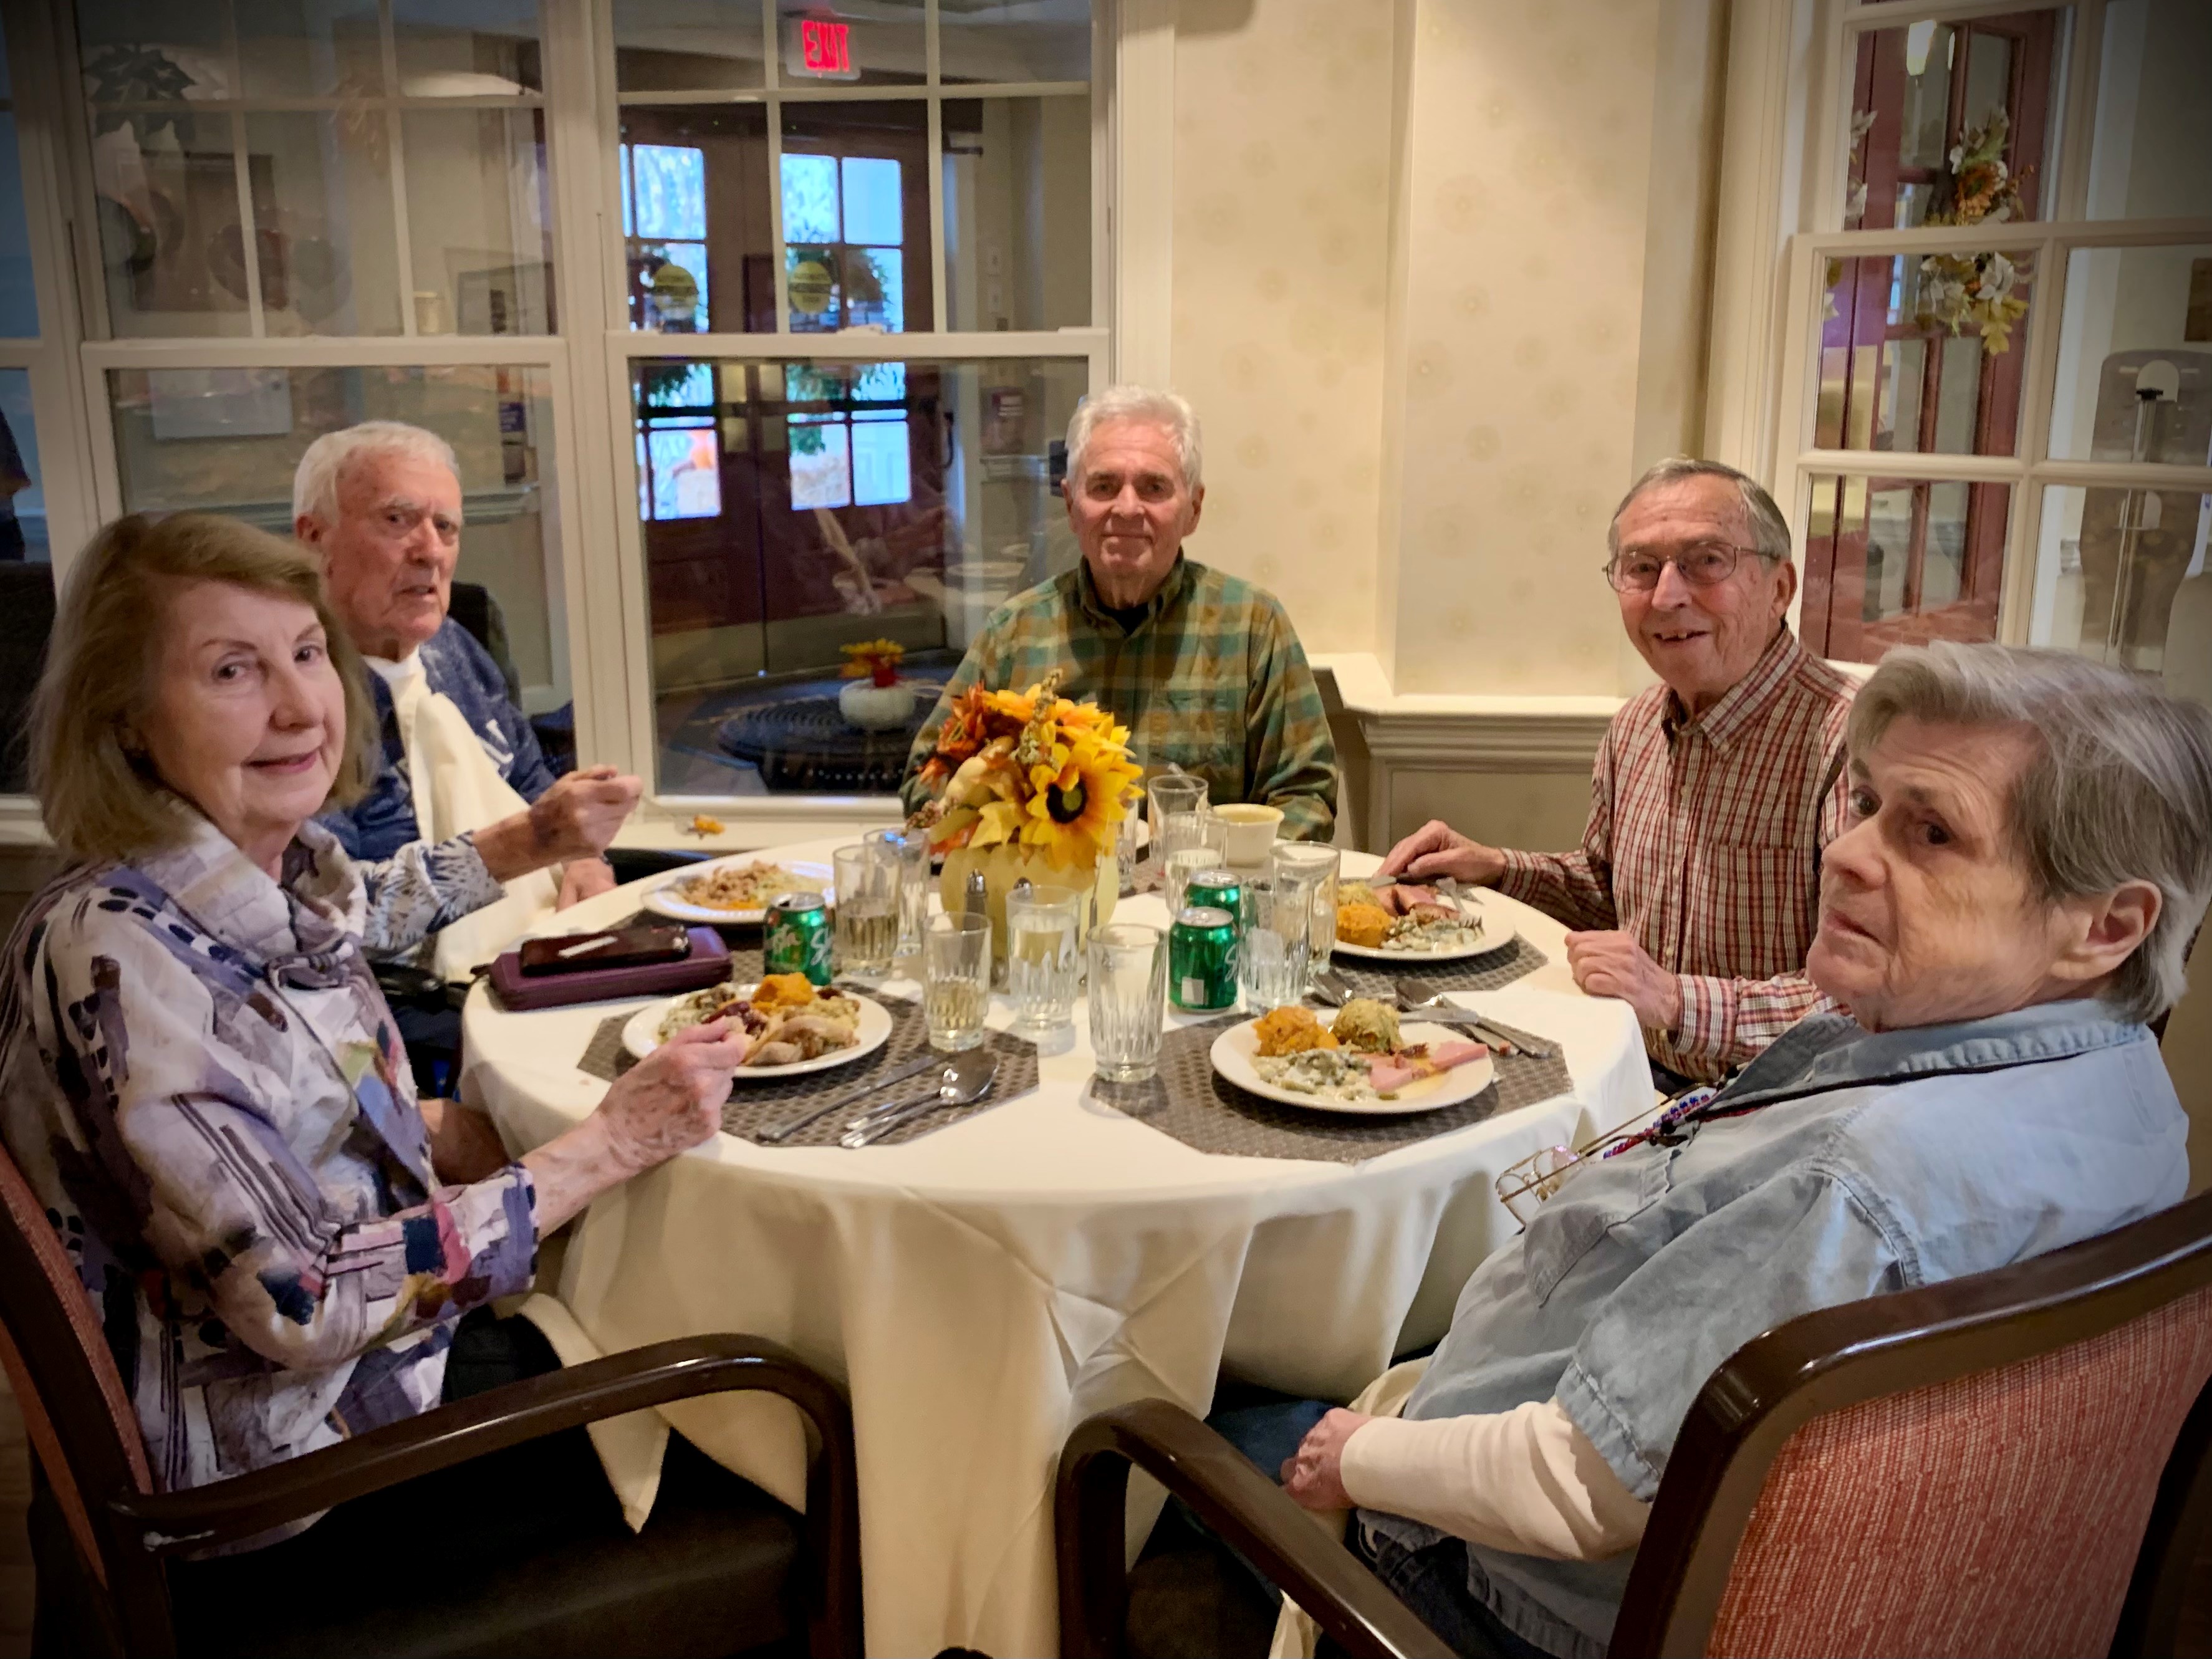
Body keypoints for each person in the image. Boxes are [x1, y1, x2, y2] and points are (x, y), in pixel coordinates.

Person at [1267, 643, 2207, 1659]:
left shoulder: (1849, 1183)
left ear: (2103, 927)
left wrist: (1351, 1458)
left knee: (1231, 1413)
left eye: (1930, 832)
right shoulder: (2130, 1091)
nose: (1845, 853)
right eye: (1864, 805)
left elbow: (1576, 1490)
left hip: (1510, 1588)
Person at [0, 512, 752, 1600]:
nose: (302, 704)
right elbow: (303, 1297)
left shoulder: (227, 876)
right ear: (124, 719)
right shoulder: (129, 969)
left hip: (317, 1392)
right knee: (750, 1392)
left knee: (637, 1278)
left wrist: (533, 841)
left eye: (306, 652)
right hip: (288, 1485)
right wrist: (602, 1146)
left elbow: (355, 915)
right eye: (230, 670)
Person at [1380, 457, 1857, 1087]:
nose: (1665, 596)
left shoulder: (1852, 742)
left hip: (1778, 1109)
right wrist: (1495, 866)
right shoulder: (1633, 728)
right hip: (1630, 1074)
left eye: (1705, 560)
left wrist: (1674, 1003)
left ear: (1779, 587)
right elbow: (1609, 896)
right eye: (1640, 568)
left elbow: (1861, 999)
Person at [901, 385, 1340, 840]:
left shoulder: (1254, 629)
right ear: (1072, 505)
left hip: (1201, 903)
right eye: (1104, 486)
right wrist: (1011, 825)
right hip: (1049, 902)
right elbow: (925, 782)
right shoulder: (1013, 635)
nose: (1127, 508)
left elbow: (1306, 796)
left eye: (1154, 487)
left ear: (1194, 509)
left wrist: (1219, 868)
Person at [295, 420, 640, 983]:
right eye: (397, 520)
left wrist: (584, 859)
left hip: (547, 945)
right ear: (315, 537)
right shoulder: (296, 699)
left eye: (447, 527)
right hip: (426, 997)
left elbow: (529, 778)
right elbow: (336, 916)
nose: (430, 551)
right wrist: (526, 844)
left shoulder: (454, 647)